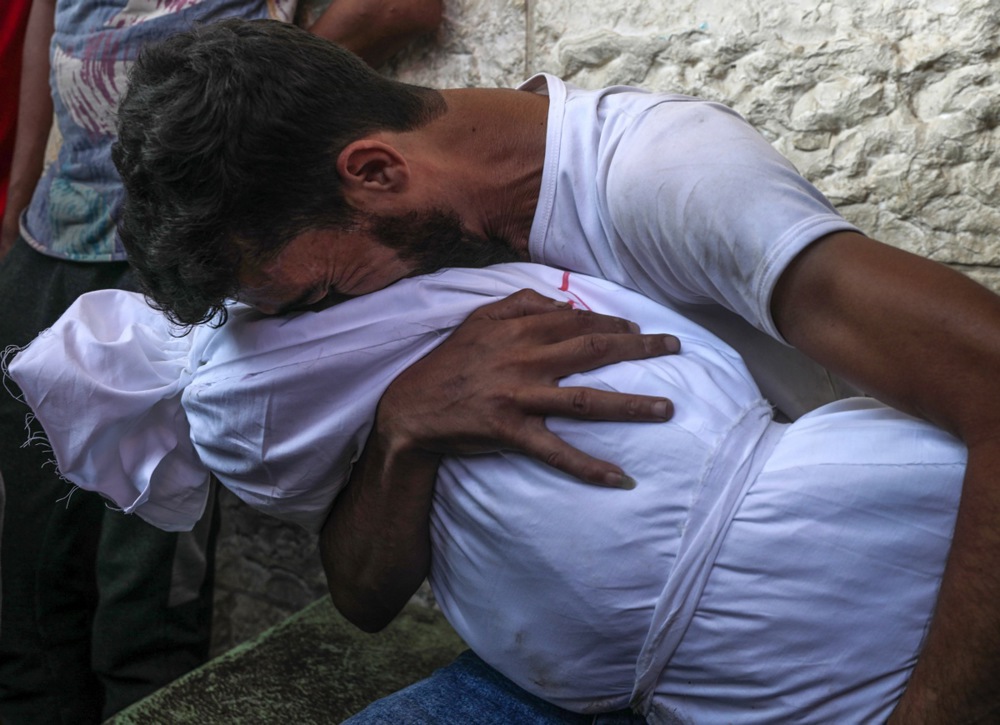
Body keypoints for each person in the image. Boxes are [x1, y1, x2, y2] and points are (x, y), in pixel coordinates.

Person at [111, 19, 1000, 723]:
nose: (325, 326)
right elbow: (363, 596)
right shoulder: (392, 259)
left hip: (863, 618)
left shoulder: (664, 178)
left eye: (320, 294)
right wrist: (401, 431)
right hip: (599, 677)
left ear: (376, 171)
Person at [7, 263, 967, 722]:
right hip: (626, 669)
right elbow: (365, 588)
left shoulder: (252, 375)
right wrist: (404, 430)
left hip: (807, 499)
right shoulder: (260, 387)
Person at [0, 3, 440, 722]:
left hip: (177, 258)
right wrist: (17, 217)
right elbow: (49, 26)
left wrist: (229, 109)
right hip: (47, 245)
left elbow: (402, 7)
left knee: (142, 602)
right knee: (29, 588)